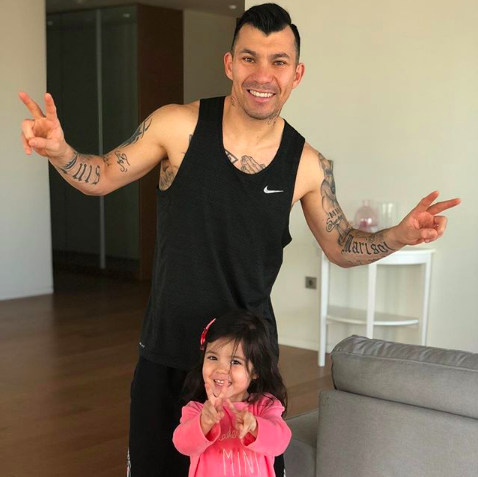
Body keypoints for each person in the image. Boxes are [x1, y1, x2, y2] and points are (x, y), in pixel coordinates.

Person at [19, 3, 460, 476]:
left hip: (247, 365)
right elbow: (103, 175)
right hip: (168, 348)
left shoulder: (308, 165)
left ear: (297, 74)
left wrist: (399, 235)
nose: (263, 75)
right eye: (250, 58)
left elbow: (340, 245)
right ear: (230, 63)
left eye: (278, 61)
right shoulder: (177, 126)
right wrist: (61, 152)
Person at [173, 310, 291, 477]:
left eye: (235, 361)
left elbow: (280, 443)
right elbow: (182, 445)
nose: (221, 369)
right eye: (213, 358)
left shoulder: (265, 405)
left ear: (256, 371)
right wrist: (203, 423)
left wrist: (255, 427)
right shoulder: (196, 410)